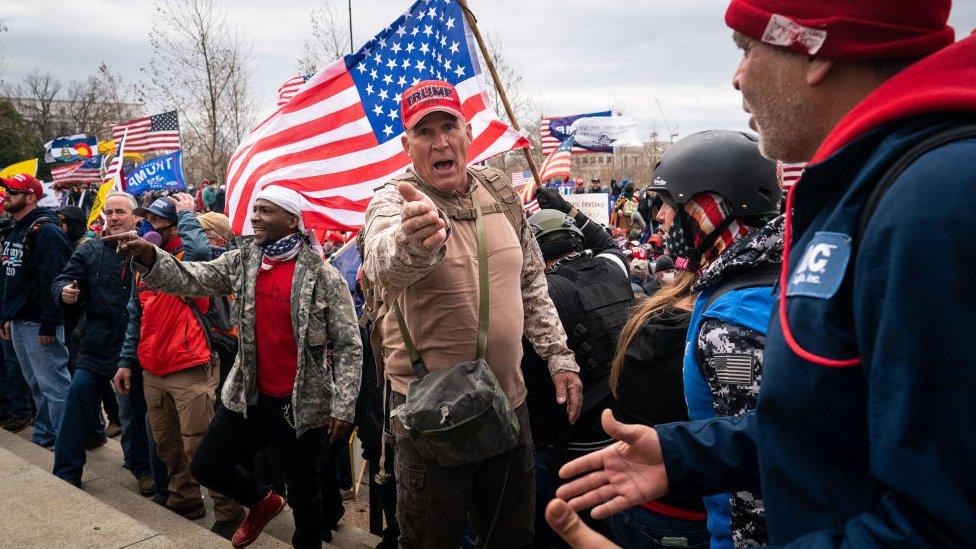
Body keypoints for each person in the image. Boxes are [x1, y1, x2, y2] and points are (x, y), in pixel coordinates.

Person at [554, 1, 976, 546]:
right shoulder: (870, 187)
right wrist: (687, 452)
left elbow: (943, 522)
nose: (737, 77)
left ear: (813, 49)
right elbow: (838, 425)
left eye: (746, 49)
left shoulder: (934, 202)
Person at [360, 80, 583, 548]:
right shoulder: (392, 201)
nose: (440, 142)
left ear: (467, 134)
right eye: (425, 132)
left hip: (508, 404)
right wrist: (411, 242)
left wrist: (559, 357)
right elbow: (380, 262)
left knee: (511, 537)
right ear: (408, 145)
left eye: (449, 127)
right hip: (428, 418)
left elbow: (532, 282)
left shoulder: (499, 192)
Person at [109, 185, 363, 548]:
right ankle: (262, 502)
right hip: (250, 396)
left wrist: (343, 404)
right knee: (206, 464)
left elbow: (350, 345)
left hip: (302, 405)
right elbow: (192, 277)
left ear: (292, 221)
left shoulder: (324, 277)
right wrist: (151, 256)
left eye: (266, 211)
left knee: (306, 498)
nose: (255, 217)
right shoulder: (243, 261)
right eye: (255, 209)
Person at [113, 194, 243, 531]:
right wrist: (127, 361)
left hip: (191, 366)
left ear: (174, 227)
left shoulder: (195, 261)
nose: (148, 227)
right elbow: (134, 317)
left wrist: (188, 215)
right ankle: (185, 499)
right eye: (146, 220)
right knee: (167, 444)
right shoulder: (140, 264)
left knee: (200, 444)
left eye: (156, 221)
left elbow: (200, 253)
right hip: (153, 368)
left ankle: (229, 512)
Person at [522, 189, 634, 547]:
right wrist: (567, 207)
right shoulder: (615, 270)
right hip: (623, 435)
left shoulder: (540, 300)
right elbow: (607, 242)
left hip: (568, 450)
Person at [51, 191, 149, 490]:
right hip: (95, 345)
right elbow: (61, 280)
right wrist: (64, 292)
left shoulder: (147, 251)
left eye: (121, 211)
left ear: (136, 217)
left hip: (133, 350)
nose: (115, 217)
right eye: (110, 212)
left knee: (134, 413)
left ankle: (142, 469)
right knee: (77, 402)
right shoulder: (90, 251)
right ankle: (66, 471)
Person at [0, 173, 72, 448]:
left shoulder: (46, 231)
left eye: (14, 192)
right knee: (36, 385)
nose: (7, 195)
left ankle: (66, 445)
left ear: (31, 197)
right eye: (7, 191)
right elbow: (11, 278)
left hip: (39, 323)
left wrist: (49, 324)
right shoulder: (14, 229)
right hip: (19, 321)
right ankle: (45, 436)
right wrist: (7, 316)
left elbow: (54, 280)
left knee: (54, 386)